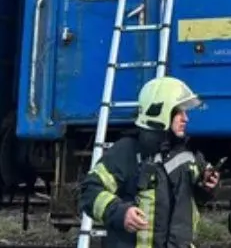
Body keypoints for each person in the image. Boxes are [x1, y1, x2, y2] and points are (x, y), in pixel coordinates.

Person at [78, 76, 220, 248]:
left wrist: (207, 186)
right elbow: (89, 191)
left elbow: (196, 199)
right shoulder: (127, 151)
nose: (185, 119)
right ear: (161, 112)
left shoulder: (189, 155)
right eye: (179, 112)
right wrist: (121, 213)